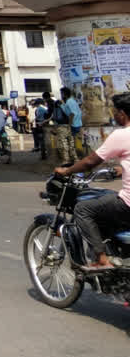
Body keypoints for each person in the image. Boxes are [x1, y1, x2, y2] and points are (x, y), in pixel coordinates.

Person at [54, 92, 130, 271]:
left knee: (83, 208)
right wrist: (122, 169)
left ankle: (102, 258)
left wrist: (67, 170)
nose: (113, 115)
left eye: (114, 112)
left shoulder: (121, 135)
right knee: (108, 202)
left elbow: (90, 162)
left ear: (122, 113)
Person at [60, 86, 83, 155]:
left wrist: (69, 125)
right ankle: (78, 156)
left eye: (61, 93)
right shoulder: (71, 101)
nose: (61, 95)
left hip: (74, 125)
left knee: (73, 143)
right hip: (77, 124)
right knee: (77, 142)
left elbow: (72, 113)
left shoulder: (70, 101)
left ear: (64, 94)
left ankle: (77, 157)